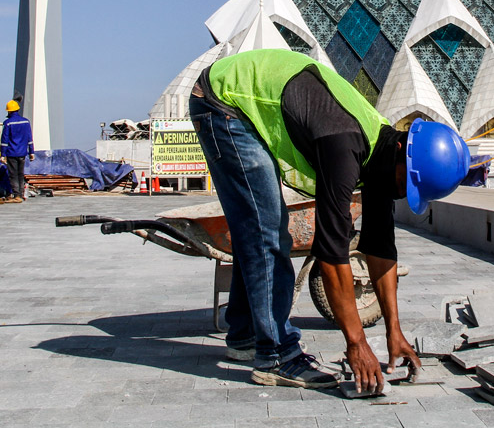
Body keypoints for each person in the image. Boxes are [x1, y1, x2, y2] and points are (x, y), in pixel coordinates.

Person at [189, 49, 470, 392]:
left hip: (244, 95)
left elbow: (380, 248)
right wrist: (356, 342)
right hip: (224, 101)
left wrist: (394, 330)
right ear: (401, 152)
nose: (400, 193)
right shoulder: (344, 143)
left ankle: (246, 335)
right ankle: (276, 356)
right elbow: (331, 253)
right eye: (404, 185)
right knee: (267, 232)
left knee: (260, 228)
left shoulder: (383, 154)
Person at [0, 100, 34, 199]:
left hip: (11, 153)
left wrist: (3, 154)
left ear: (9, 111)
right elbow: (29, 138)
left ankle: (17, 195)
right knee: (20, 173)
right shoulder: (26, 122)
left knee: (13, 174)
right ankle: (22, 193)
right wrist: (31, 152)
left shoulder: (8, 123)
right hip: (23, 153)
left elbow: (4, 141)